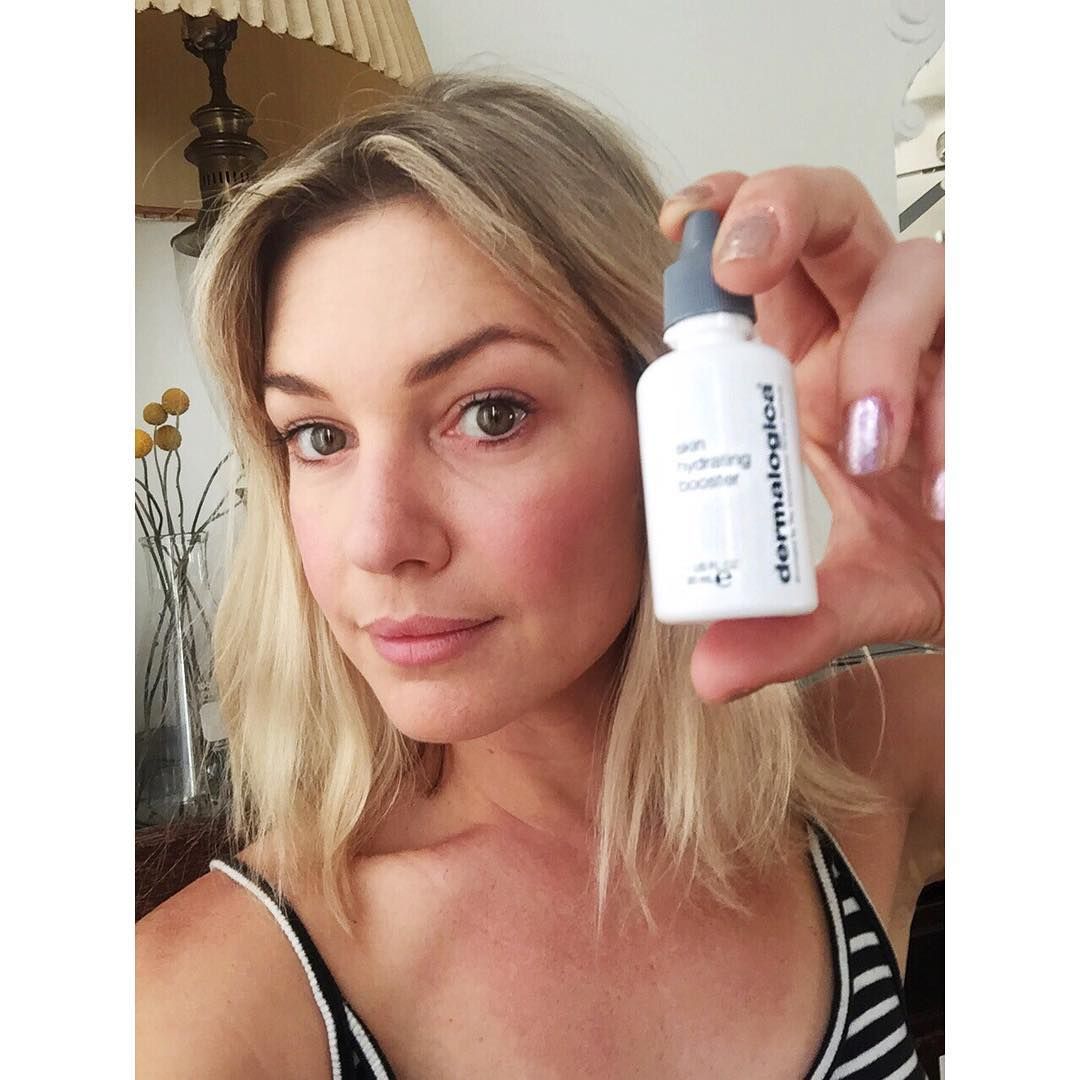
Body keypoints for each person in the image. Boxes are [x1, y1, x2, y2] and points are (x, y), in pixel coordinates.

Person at [135, 74, 944, 1080]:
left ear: (670, 421)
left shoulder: (868, 764)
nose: (379, 541)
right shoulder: (197, 1012)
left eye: (490, 414)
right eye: (319, 435)